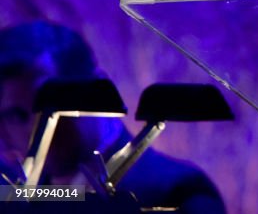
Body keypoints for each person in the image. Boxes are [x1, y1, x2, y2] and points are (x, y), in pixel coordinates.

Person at [0, 22, 226, 214]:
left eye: (19, 115)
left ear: (95, 89)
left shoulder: (179, 192)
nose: (4, 139)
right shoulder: (16, 196)